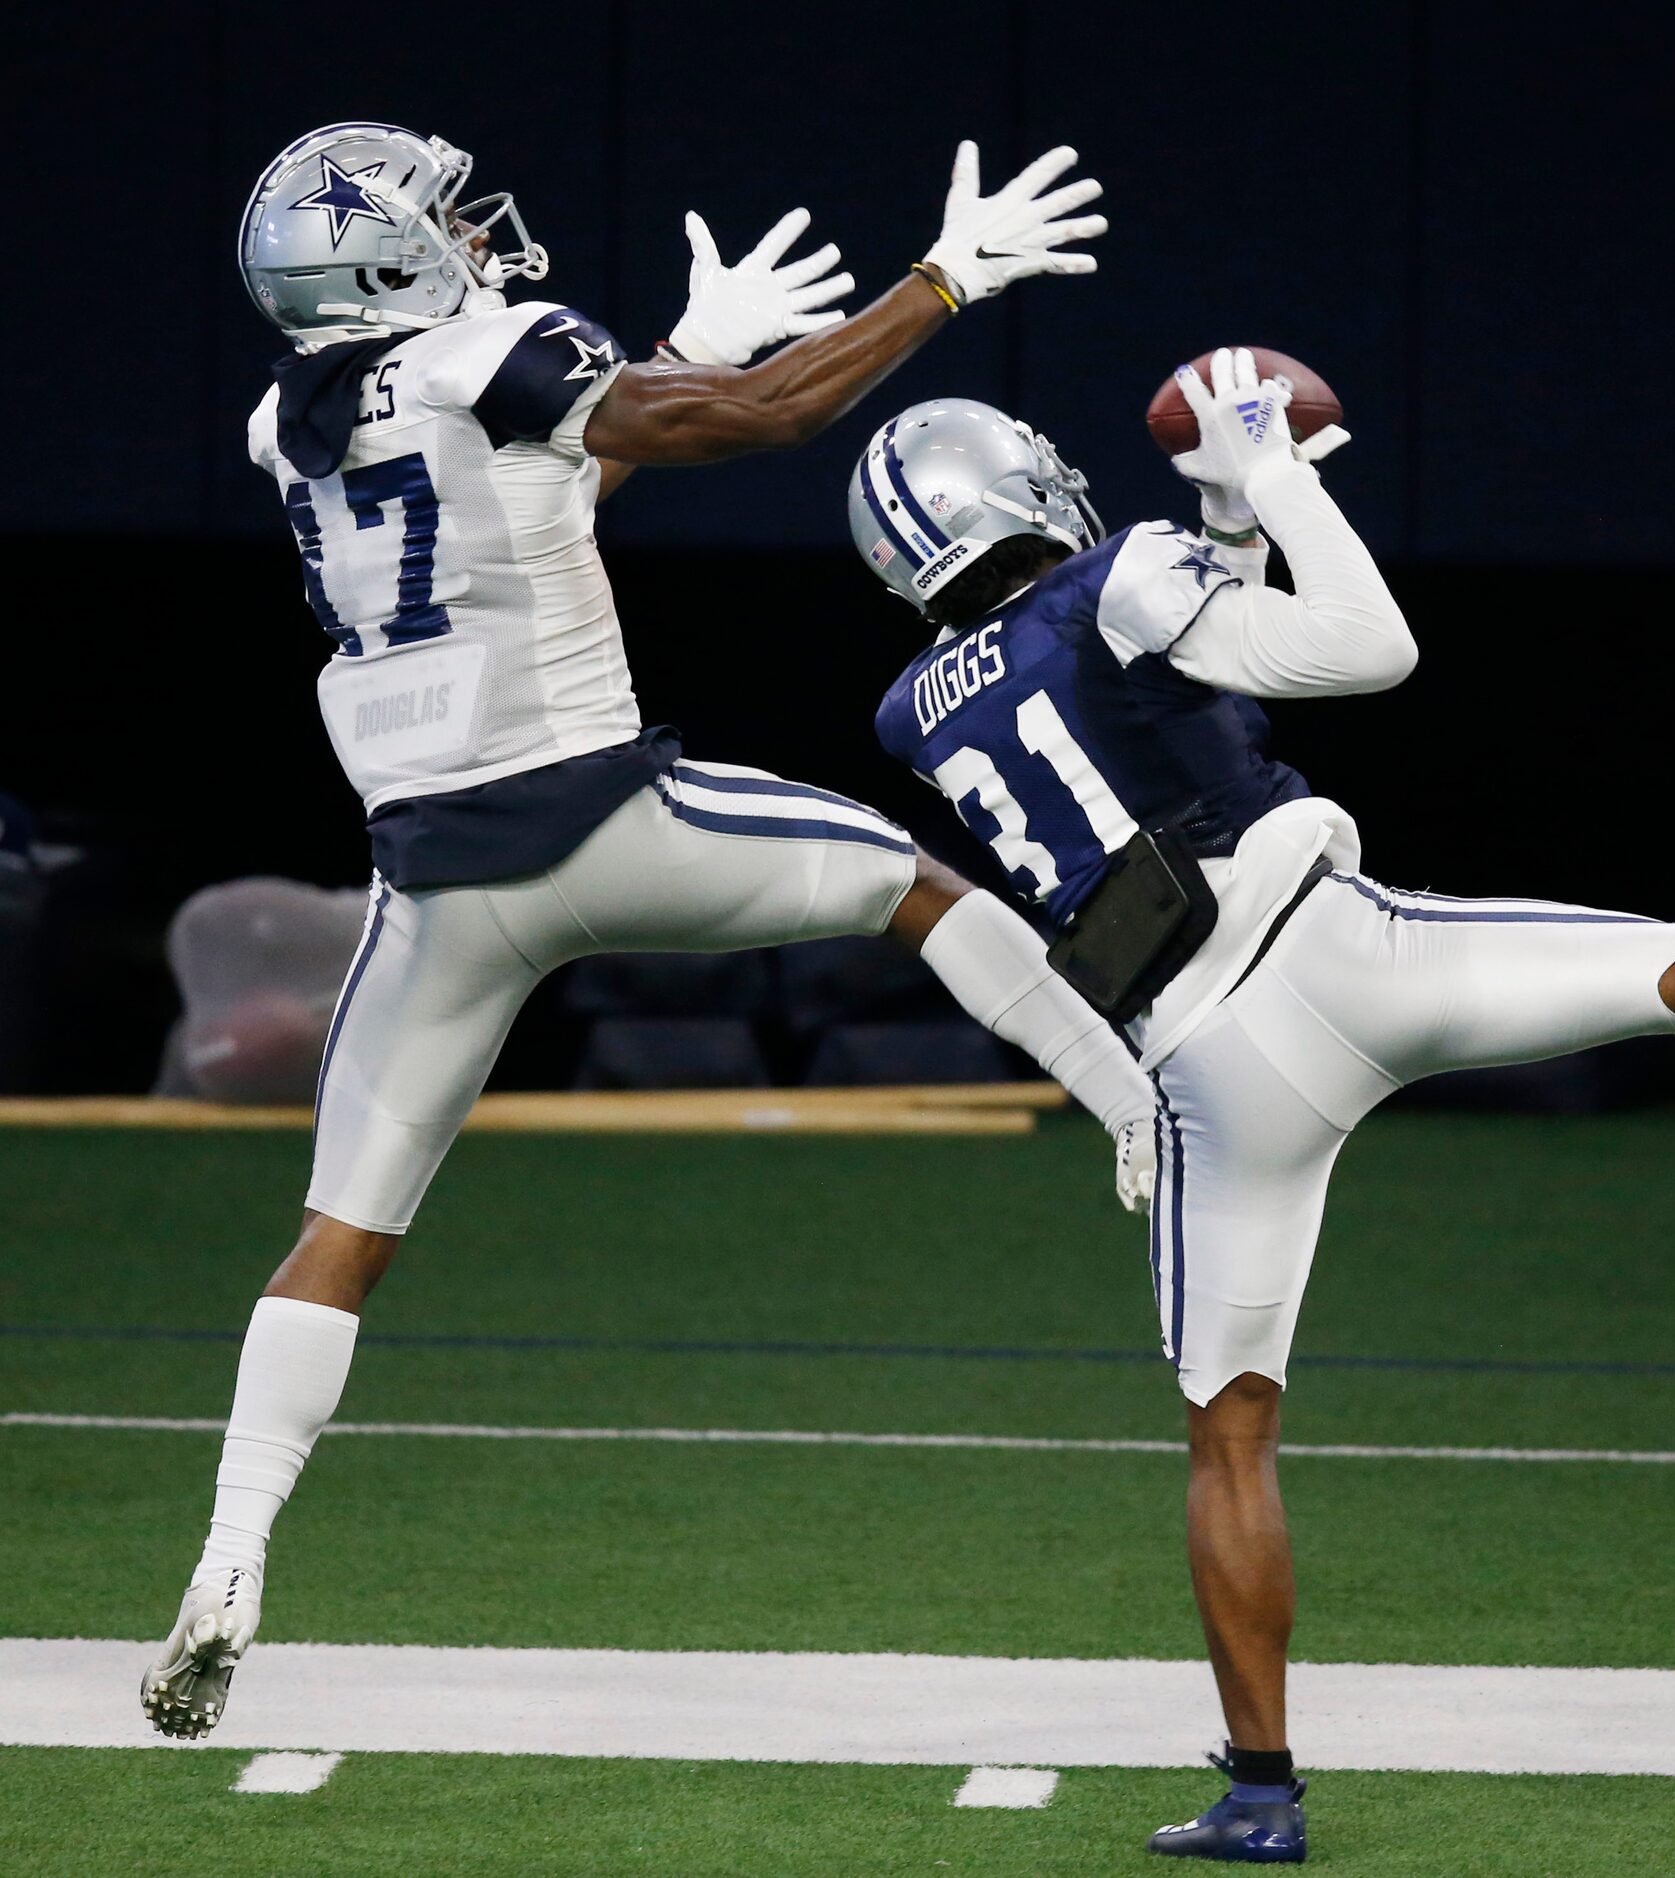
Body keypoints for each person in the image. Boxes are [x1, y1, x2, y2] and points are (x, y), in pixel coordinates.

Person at [847, 350, 1675, 1862]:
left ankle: (1258, 1792)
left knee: (1227, 1436)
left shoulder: (911, 709)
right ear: (1015, 482)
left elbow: (1156, 688)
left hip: (1198, 1065)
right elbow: (1368, 647)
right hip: (1332, 947)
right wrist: (1272, 475)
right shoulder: (1120, 568)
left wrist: (1233, 506)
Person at [141, 122, 1153, 1741]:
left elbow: (520, 500)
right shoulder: (499, 347)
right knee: (916, 888)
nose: (477, 230)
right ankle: (1131, 1106)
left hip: (430, 889)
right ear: (386, 258)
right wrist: (940, 280)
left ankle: (227, 1553)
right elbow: (756, 421)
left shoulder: (289, 417)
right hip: (604, 822)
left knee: (340, 1235)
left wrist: (683, 347)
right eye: (444, 217)